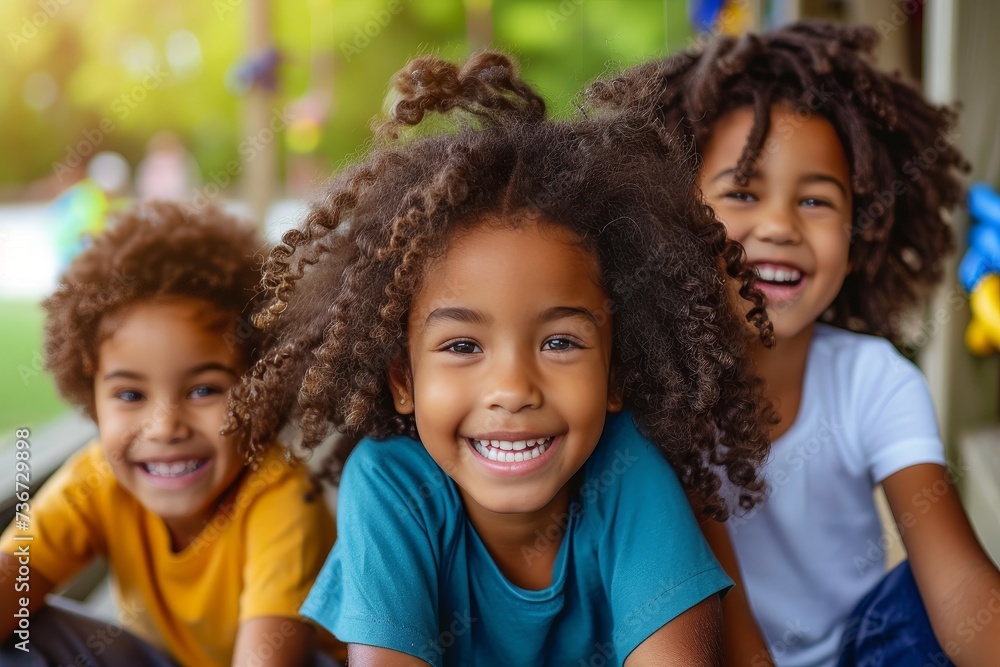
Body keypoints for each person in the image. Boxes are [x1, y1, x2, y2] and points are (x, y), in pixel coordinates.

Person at [229, 51, 777, 666]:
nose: (513, 389)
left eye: (560, 342)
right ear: (403, 380)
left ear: (615, 373)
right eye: (463, 346)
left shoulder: (629, 471)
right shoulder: (390, 486)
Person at [586, 20, 1000, 667]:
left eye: (815, 201)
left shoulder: (875, 379)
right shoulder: (658, 397)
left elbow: (960, 588)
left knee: (921, 595)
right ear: (676, 220)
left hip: (869, 648)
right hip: (716, 651)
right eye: (743, 192)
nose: (780, 225)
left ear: (857, 239)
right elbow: (725, 625)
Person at [0, 201, 340, 666]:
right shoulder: (96, 479)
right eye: (130, 395)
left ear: (264, 389)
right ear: (91, 399)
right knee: (29, 633)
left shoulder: (280, 498)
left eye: (204, 390)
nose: (164, 427)